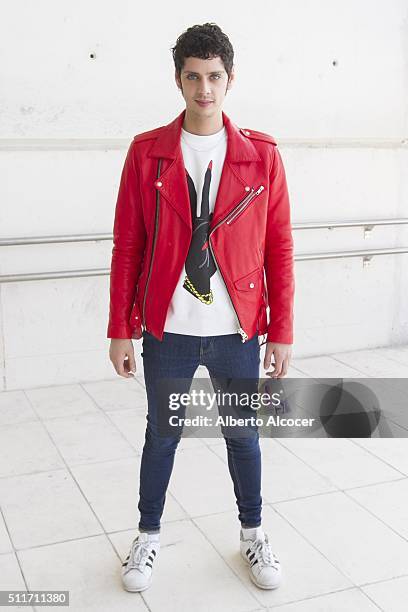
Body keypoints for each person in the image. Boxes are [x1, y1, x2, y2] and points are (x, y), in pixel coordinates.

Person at [107, 22, 295, 593]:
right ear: (178, 80)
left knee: (244, 436)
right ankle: (148, 536)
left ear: (230, 79)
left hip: (238, 331)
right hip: (169, 329)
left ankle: (253, 534)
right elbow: (128, 245)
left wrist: (281, 330)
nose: (204, 89)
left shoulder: (260, 157)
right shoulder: (148, 155)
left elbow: (278, 246)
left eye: (215, 77)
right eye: (193, 77)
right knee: (162, 434)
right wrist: (121, 327)